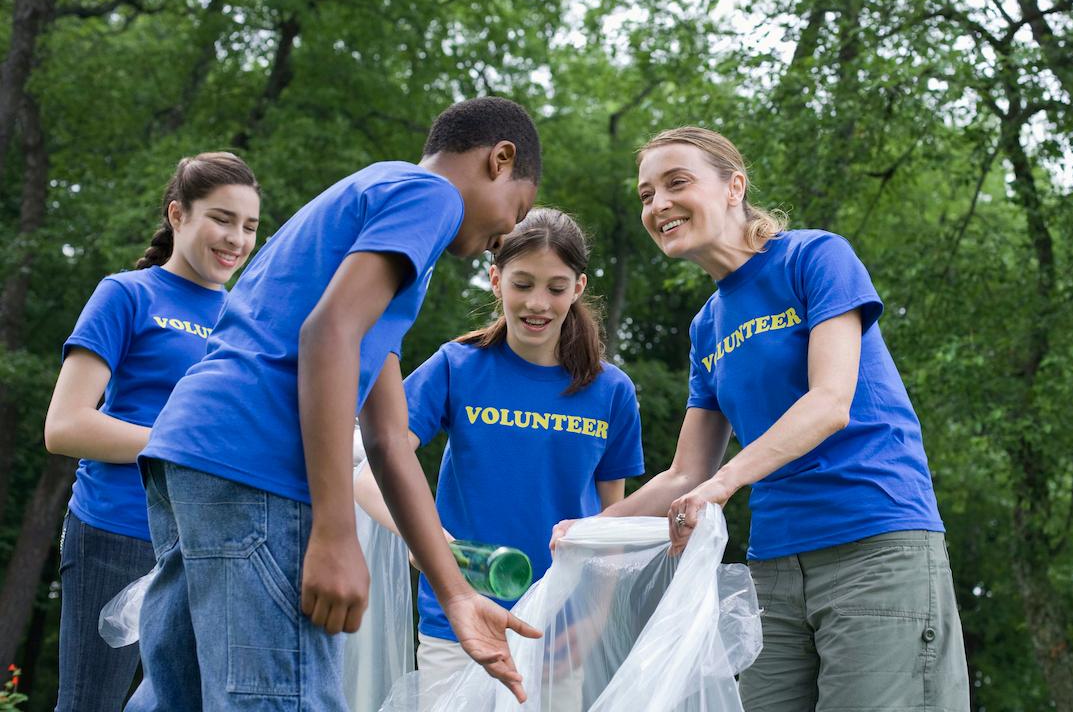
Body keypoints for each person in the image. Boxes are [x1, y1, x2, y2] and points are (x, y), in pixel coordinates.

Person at [125, 97, 544, 712]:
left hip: (192, 458)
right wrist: (335, 531)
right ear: (499, 159)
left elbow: (387, 437)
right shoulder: (429, 196)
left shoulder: (374, 216)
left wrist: (454, 592)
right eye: (520, 208)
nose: (508, 233)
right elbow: (326, 336)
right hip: (257, 469)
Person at [554, 126, 970, 711]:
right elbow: (686, 473)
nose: (659, 205)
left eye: (677, 183)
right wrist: (592, 527)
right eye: (647, 194)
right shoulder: (707, 326)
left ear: (734, 187)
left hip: (875, 547)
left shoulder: (813, 258)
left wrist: (724, 483)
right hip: (773, 571)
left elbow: (829, 402)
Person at [354, 207, 644, 699]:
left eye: (555, 287)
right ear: (495, 279)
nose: (538, 303)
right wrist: (432, 541)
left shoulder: (611, 390)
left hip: (558, 628)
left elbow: (611, 526)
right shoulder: (457, 365)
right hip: (458, 621)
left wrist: (592, 620)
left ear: (577, 288)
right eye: (522, 283)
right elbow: (368, 475)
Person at [45, 153, 261, 712]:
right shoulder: (127, 294)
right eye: (222, 218)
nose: (236, 238)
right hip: (115, 533)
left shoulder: (248, 320)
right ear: (178, 215)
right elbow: (65, 426)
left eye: (250, 225)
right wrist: (187, 447)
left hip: (209, 546)